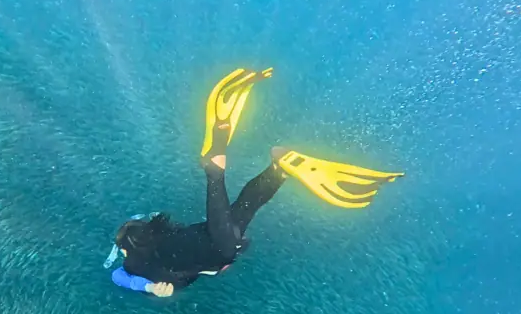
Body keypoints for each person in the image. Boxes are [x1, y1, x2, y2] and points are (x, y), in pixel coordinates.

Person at [104, 67, 404, 297]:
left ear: (129, 252)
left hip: (218, 245)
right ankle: (278, 169)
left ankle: (214, 169)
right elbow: (142, 245)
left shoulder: (136, 266)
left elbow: (121, 278)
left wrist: (148, 289)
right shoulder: (156, 243)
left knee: (226, 242)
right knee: (246, 207)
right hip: (210, 236)